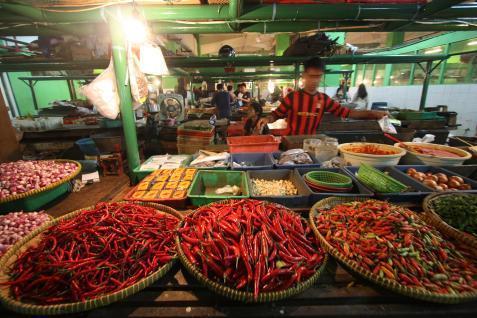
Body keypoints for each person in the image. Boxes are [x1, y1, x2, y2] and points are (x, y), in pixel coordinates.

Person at [257, 57, 386, 135]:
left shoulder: (324, 99)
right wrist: (267, 119)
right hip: (290, 142)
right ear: (304, 76)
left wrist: (373, 113)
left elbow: (347, 113)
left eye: (318, 76)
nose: (314, 80)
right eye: (311, 76)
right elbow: (276, 115)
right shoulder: (292, 97)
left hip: (312, 143)